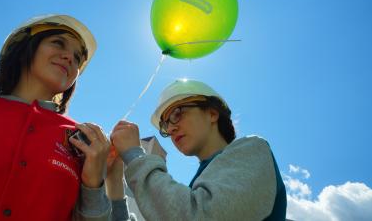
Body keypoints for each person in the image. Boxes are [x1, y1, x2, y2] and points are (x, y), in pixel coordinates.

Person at [0, 14, 129, 220]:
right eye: (58, 43)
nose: (70, 58)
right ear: (25, 47)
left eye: (77, 58)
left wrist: (94, 185)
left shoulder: (84, 143)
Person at [111, 79, 287, 220]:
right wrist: (114, 179)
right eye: (165, 125)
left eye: (177, 114)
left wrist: (135, 156)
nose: (170, 129)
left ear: (212, 113)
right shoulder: (196, 190)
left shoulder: (254, 150)